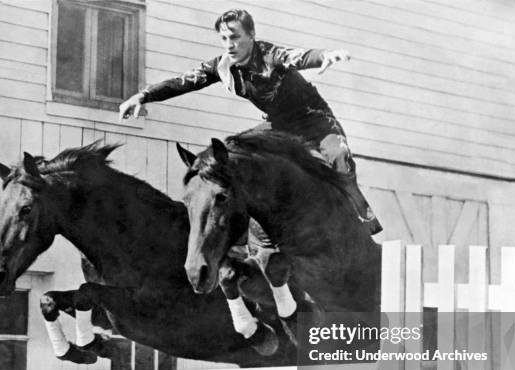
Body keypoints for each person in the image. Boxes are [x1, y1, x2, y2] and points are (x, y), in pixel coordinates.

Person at [119, 8, 381, 234]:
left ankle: (362, 215)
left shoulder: (269, 55)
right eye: (224, 38)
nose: (229, 44)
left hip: (315, 121)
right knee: (234, 152)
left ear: (251, 36)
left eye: (235, 37)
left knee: (339, 158)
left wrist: (324, 55)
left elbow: (297, 56)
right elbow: (182, 82)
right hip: (278, 124)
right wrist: (144, 96)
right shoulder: (221, 67)